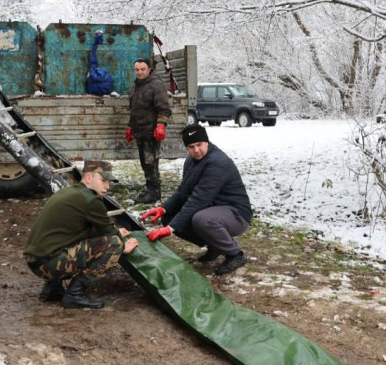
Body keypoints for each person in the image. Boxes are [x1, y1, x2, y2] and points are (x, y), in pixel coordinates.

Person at [24, 161, 139, 309]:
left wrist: (115, 232)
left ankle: (53, 289)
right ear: (88, 178)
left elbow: (78, 230)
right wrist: (122, 247)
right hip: (49, 264)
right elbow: (110, 235)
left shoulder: (71, 192)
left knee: (73, 240)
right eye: (103, 181)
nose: (107, 186)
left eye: (109, 182)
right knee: (114, 244)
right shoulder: (91, 200)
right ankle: (75, 294)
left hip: (36, 261)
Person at [141, 124, 252, 276]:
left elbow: (199, 199)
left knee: (202, 219)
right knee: (169, 216)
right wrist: (163, 208)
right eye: (191, 146)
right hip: (212, 207)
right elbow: (183, 191)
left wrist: (170, 229)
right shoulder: (191, 161)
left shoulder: (218, 162)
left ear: (206, 141)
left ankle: (235, 254)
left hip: (236, 213)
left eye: (199, 145)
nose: (196, 150)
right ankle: (216, 246)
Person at [126, 57, 171, 203]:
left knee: (151, 162)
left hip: (151, 132)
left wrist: (161, 124)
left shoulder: (156, 85)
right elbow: (134, 110)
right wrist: (130, 126)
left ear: (149, 69)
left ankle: (154, 193)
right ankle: (150, 189)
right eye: (137, 70)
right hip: (139, 131)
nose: (139, 72)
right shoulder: (135, 87)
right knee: (145, 162)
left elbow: (164, 108)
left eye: (142, 69)